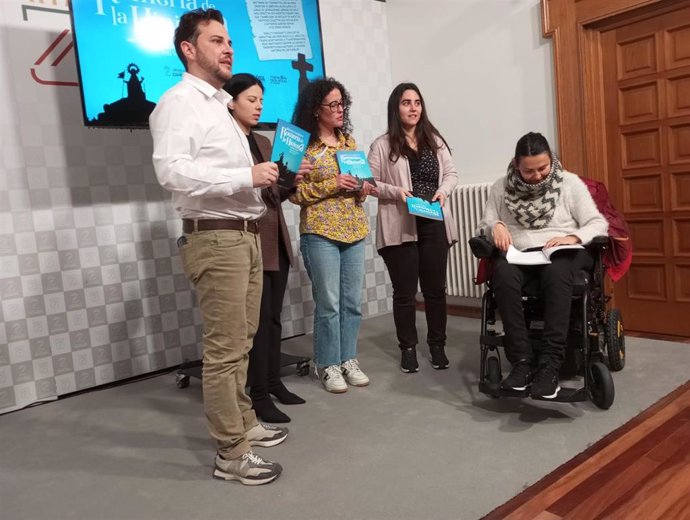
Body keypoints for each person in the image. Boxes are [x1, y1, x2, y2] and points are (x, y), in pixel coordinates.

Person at [149, 9, 287, 486]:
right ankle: (231, 453)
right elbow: (171, 172)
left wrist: (262, 181)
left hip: (244, 236)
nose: (229, 48)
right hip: (215, 237)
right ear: (189, 49)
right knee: (225, 349)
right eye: (216, 40)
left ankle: (245, 422)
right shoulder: (178, 102)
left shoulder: (218, 106)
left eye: (229, 40)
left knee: (241, 343)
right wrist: (243, 176)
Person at [478, 132, 608, 399]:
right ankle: (522, 363)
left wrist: (572, 237)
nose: (537, 176)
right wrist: (497, 225)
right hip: (521, 252)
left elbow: (597, 223)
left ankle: (550, 365)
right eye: (529, 171)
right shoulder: (501, 187)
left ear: (551, 160)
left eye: (543, 168)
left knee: (557, 271)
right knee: (501, 273)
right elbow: (485, 224)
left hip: (563, 251)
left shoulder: (569, 183)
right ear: (516, 165)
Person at [223, 73, 308, 423]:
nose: (258, 106)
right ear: (231, 102)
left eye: (261, 99)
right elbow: (236, 190)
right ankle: (257, 394)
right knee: (254, 324)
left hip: (275, 238)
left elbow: (272, 194)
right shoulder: (227, 141)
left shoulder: (260, 140)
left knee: (273, 320)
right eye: (251, 100)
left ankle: (273, 382)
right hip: (248, 241)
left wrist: (291, 182)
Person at [289, 78, 374, 393]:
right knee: (329, 303)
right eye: (333, 105)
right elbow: (294, 195)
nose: (340, 110)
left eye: (342, 104)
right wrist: (332, 184)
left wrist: (363, 186)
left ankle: (348, 358)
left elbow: (364, 187)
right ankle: (327, 364)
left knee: (352, 303)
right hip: (320, 232)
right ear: (315, 110)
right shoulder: (304, 148)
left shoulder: (349, 142)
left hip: (353, 230)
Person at [368, 83, 458, 373]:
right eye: (406, 102)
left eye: (417, 102)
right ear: (396, 108)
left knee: (435, 290)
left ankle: (437, 345)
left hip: (433, 219)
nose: (413, 108)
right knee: (405, 292)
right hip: (400, 223)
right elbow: (368, 183)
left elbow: (452, 173)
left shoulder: (435, 140)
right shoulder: (382, 144)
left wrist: (443, 191)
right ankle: (408, 348)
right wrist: (398, 193)